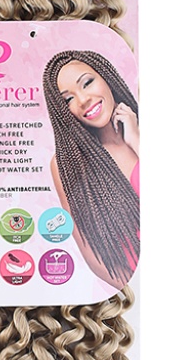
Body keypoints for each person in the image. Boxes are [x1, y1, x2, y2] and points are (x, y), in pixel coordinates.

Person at [43, 50, 140, 287]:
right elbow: (94, 257)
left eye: (87, 83)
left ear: (106, 76)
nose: (83, 99)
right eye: (68, 99)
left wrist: (137, 141)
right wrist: (137, 291)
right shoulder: (69, 165)